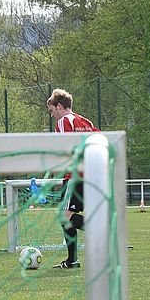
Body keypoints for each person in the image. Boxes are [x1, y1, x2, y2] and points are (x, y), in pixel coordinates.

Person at [46, 88, 99, 269]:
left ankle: (75, 257)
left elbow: (65, 149)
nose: (52, 115)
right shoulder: (86, 122)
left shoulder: (63, 122)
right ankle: (73, 260)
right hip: (91, 176)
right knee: (66, 216)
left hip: (74, 177)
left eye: (52, 111)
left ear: (59, 106)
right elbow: (100, 141)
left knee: (64, 216)